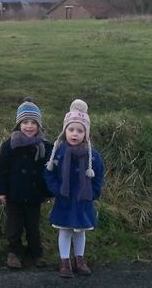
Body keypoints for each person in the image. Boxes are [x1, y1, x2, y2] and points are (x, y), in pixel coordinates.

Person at [44, 99, 105, 278]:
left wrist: (94, 192)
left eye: (80, 130)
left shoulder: (92, 155)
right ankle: (64, 261)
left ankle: (80, 259)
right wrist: (56, 189)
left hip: (83, 200)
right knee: (64, 231)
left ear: (86, 133)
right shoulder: (59, 151)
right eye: (71, 129)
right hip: (64, 199)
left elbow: (99, 174)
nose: (75, 134)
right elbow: (49, 173)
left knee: (80, 232)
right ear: (65, 131)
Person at [0, 98, 53, 269]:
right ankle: (14, 253)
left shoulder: (45, 146)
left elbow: (49, 171)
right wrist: (0, 191)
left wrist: (48, 191)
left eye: (33, 122)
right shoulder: (10, 145)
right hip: (14, 194)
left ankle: (36, 253)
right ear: (19, 124)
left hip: (34, 195)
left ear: (39, 125)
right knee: (14, 226)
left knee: (33, 226)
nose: (29, 126)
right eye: (25, 122)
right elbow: (2, 170)